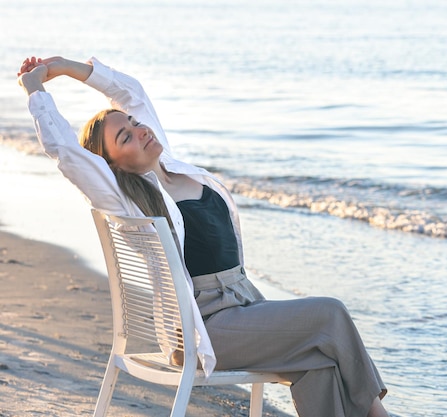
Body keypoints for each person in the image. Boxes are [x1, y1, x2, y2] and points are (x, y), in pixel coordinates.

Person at [17, 56, 390, 417]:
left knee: (319, 363)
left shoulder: (172, 168)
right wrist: (35, 89)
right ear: (110, 165)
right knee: (330, 314)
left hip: (242, 305)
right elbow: (65, 151)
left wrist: (66, 67)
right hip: (204, 329)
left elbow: (131, 92)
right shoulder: (126, 199)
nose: (140, 129)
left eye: (134, 122)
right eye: (126, 136)